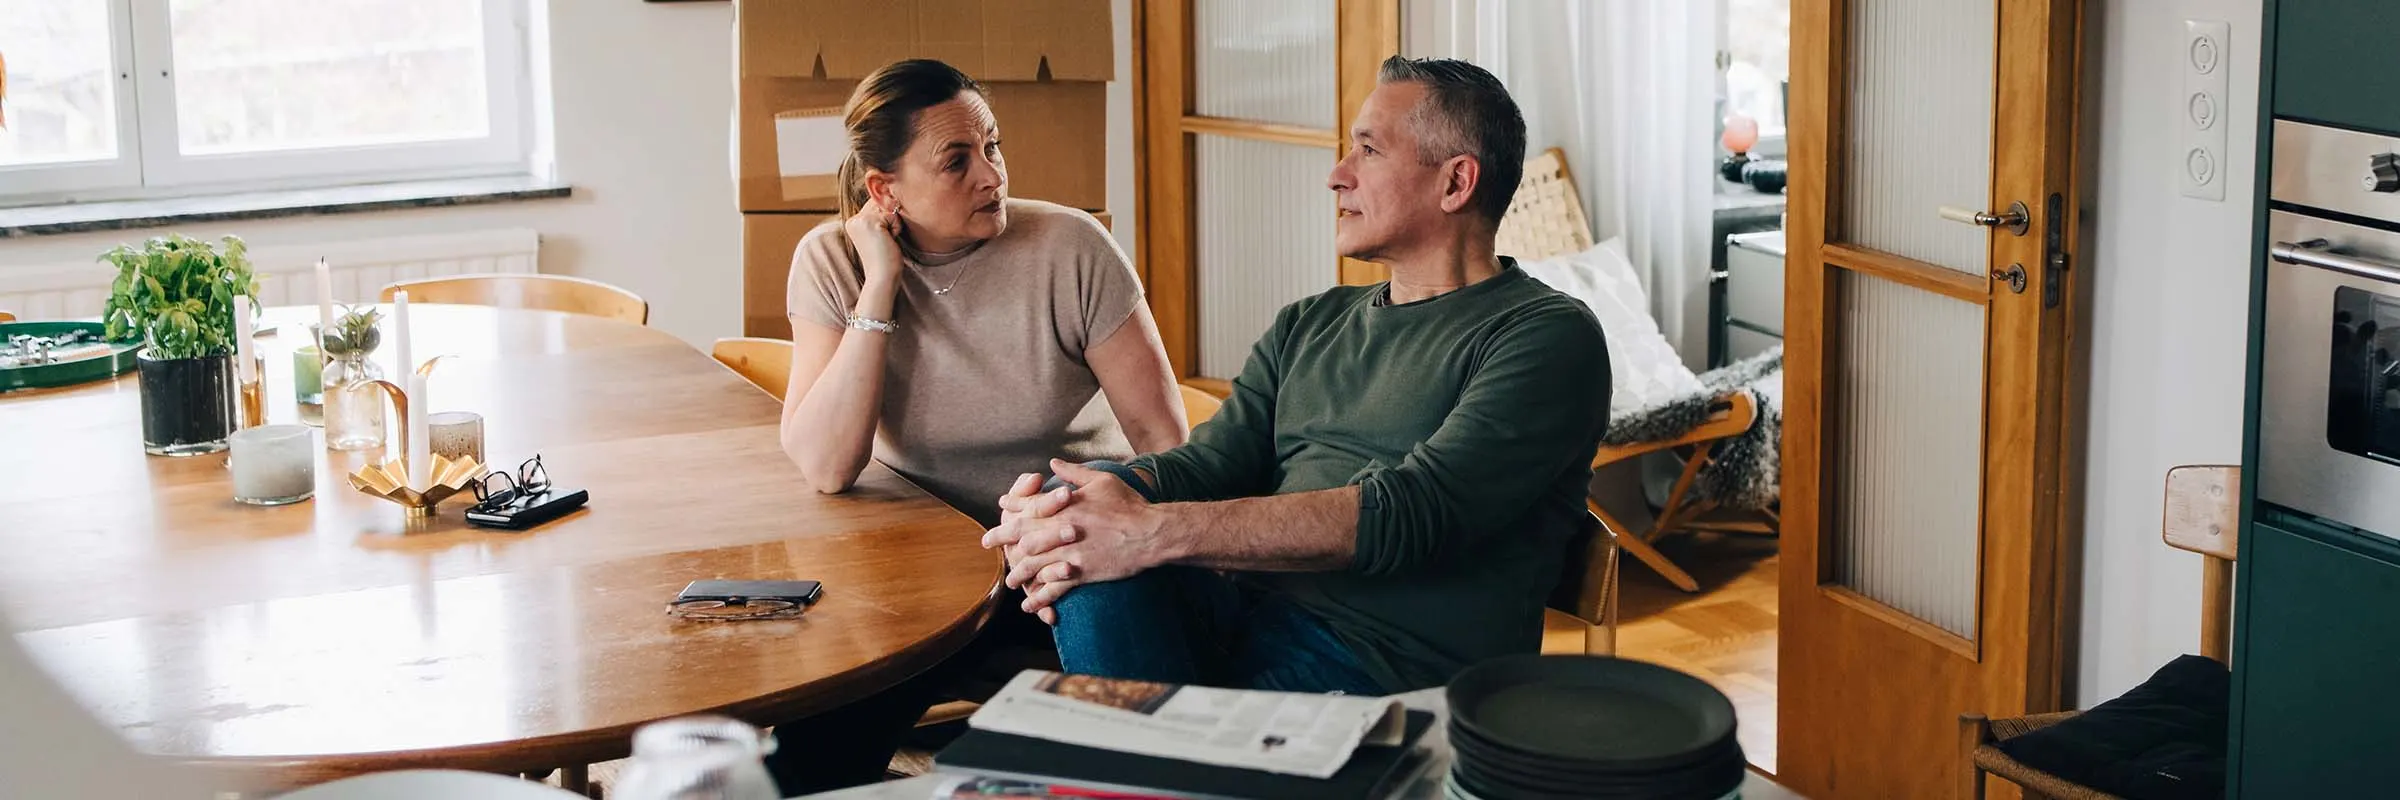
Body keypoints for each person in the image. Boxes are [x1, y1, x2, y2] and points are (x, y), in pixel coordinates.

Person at [983, 56, 1612, 696]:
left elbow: (1411, 514)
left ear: (1456, 184)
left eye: (1368, 151)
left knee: (1103, 561)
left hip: (1385, 670)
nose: (1336, 176)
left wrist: (1148, 532)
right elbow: (1207, 466)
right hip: (1248, 618)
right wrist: (1085, 499)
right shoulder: (1310, 323)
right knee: (1080, 536)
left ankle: (1149, 769)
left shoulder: (1545, 337)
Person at [766, 59, 1186, 793]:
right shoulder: (831, 260)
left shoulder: (1071, 247)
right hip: (912, 572)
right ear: (883, 189)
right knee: (803, 768)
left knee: (1116, 764)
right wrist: (880, 283)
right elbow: (828, 465)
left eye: (992, 147)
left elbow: (1164, 440)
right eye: (956, 161)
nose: (991, 176)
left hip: (1061, 556)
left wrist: (1094, 524)